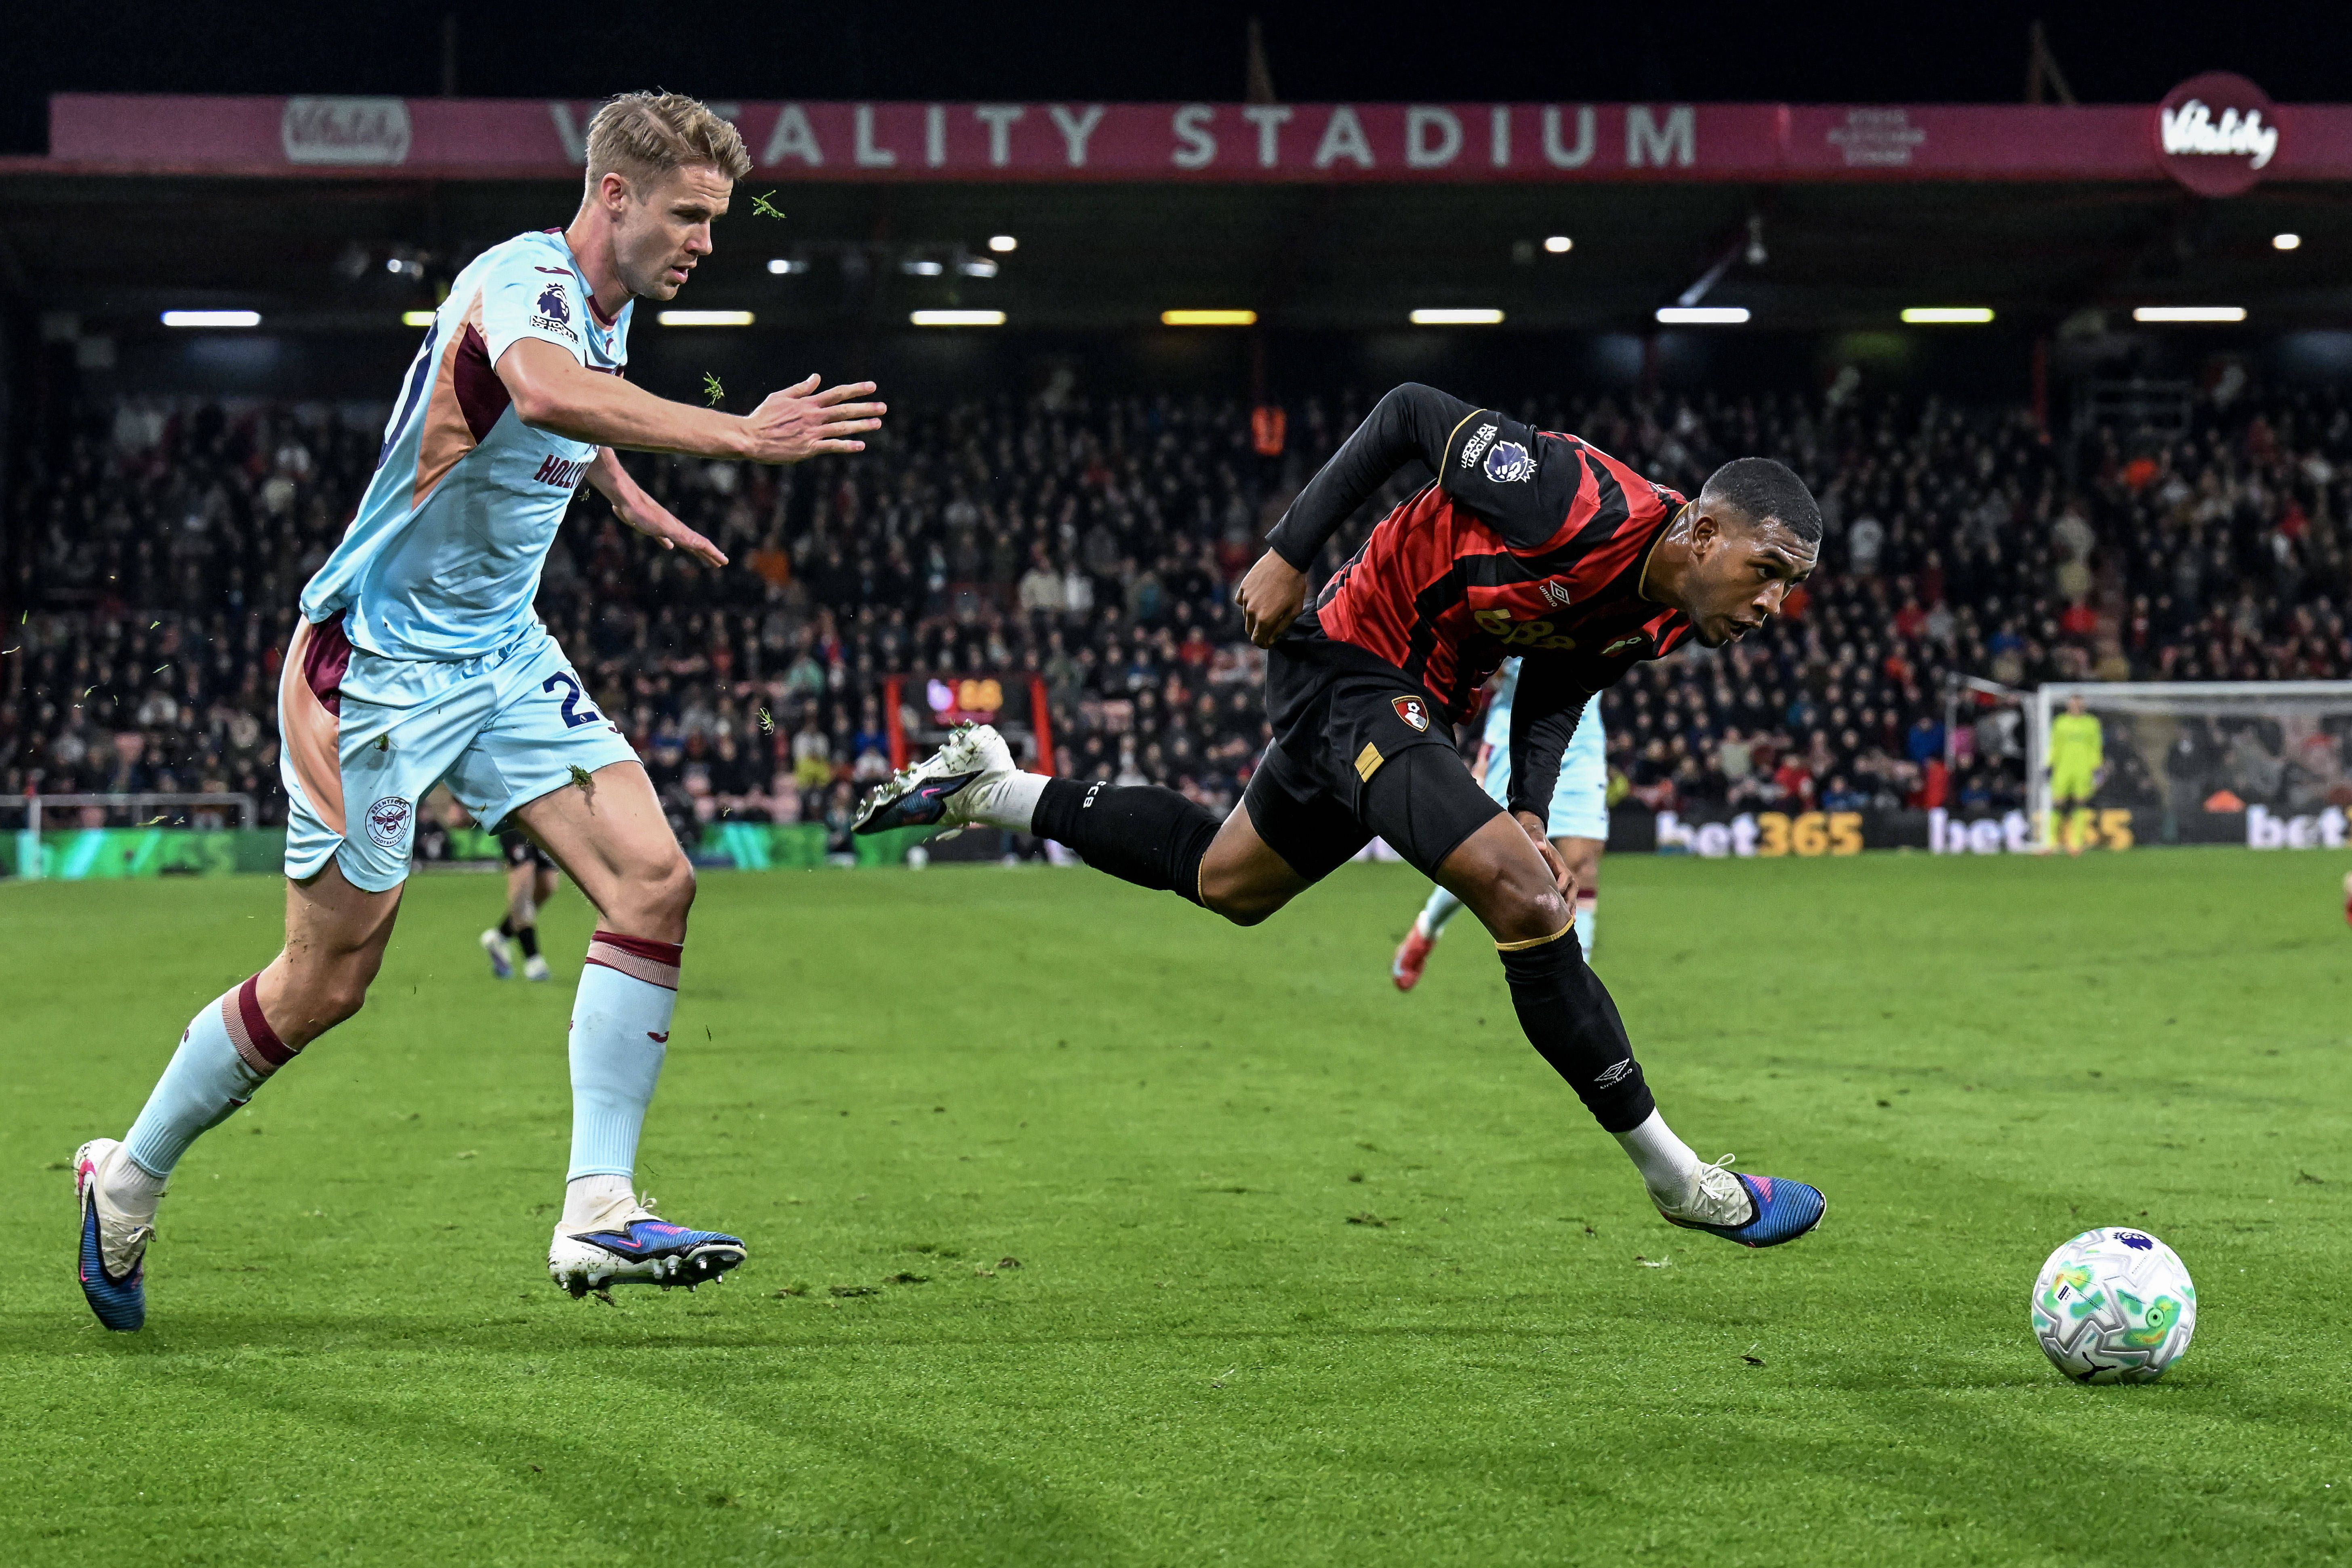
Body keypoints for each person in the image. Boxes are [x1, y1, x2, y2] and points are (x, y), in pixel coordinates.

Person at [72, 91, 887, 1331]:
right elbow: (546, 391)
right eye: (689, 215)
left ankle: (598, 1209)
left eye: (716, 219)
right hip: (378, 667)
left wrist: (620, 494)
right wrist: (739, 438)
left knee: (653, 882)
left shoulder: (604, 312)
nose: (707, 242)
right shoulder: (520, 279)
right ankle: (125, 1178)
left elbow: (569, 409)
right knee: (324, 984)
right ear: (612, 197)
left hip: (502, 654)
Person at [858, 383, 1826, 1248]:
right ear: (1704, 533)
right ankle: (1680, 1180)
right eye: (1766, 568)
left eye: (1791, 584)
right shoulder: (1571, 496)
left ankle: (991, 788)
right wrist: (1287, 553)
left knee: (1227, 880)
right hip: (1352, 662)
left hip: (1412, 701)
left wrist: (1528, 802)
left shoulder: (1660, 615)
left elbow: (1561, 671)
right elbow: (1408, 410)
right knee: (1528, 903)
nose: (1775, 602)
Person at [1392, 658, 1606, 987]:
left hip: (1584, 732)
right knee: (1486, 857)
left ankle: (1579, 985)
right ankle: (1427, 928)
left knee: (1583, 861)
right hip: (1518, 726)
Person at [482, 827, 562, 982]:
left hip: (540, 821)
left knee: (548, 885)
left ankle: (500, 936)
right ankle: (533, 961)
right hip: (515, 820)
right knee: (523, 887)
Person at [2046, 692, 2104, 855]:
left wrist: (2098, 768)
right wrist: (2050, 764)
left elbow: (2096, 746)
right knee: (2058, 804)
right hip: (2063, 769)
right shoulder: (2060, 723)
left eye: (2080, 704)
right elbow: (2055, 745)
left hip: (2084, 770)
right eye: (2074, 704)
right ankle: (2051, 843)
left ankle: (2076, 844)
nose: (2077, 707)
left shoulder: (2092, 723)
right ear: (2069, 706)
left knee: (2080, 804)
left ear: (2084, 706)